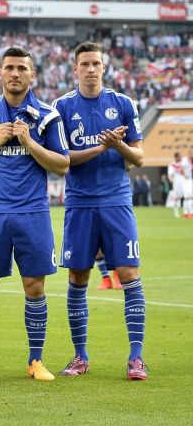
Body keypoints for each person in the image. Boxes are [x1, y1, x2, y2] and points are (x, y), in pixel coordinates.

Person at [0, 46, 69, 383]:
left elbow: (62, 165)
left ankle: (36, 362)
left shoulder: (48, 117)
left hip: (33, 212)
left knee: (34, 287)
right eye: (10, 67)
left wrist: (30, 142)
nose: (15, 73)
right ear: (0, 73)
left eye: (22, 68)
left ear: (32, 75)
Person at [52, 42, 148, 380]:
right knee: (78, 277)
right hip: (79, 202)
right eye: (85, 64)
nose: (91, 69)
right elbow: (62, 160)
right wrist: (102, 146)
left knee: (129, 275)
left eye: (96, 63)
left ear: (104, 67)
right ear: (74, 68)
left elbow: (139, 158)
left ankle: (136, 358)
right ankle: (80, 356)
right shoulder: (62, 106)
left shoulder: (123, 104)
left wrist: (118, 145)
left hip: (116, 201)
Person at [166, 152, 185, 218]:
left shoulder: (183, 164)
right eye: (180, 156)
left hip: (184, 182)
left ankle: (187, 212)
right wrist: (173, 181)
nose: (181, 158)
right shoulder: (172, 165)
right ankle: (176, 212)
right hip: (177, 183)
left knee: (188, 197)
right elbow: (170, 175)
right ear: (176, 157)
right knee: (177, 198)